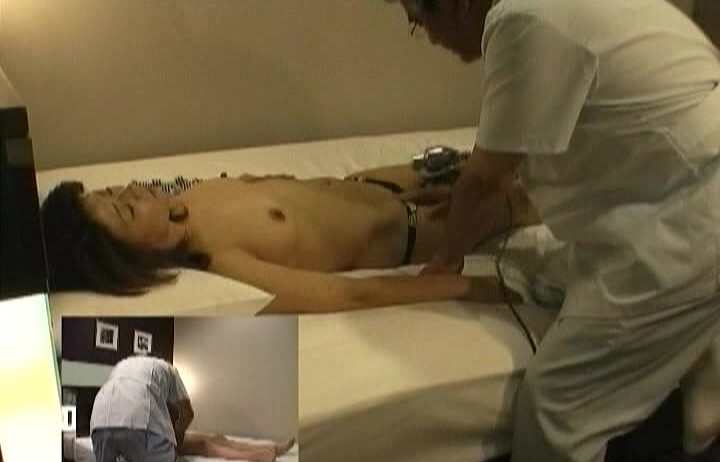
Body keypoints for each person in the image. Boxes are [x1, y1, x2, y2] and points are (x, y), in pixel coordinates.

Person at [387, 0, 720, 462]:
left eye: (420, 19)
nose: (425, 36)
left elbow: (485, 182)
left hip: (690, 218)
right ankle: (703, 347)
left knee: (557, 407)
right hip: (668, 183)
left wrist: (444, 260)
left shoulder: (522, 19)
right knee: (538, 274)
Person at [40, 163, 539, 314]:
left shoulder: (195, 194)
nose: (130, 190)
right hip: (419, 232)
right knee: (551, 192)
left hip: (397, 191)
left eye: (111, 190)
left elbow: (305, 189)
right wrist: (459, 286)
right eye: (125, 208)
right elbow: (348, 294)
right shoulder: (221, 260)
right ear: (134, 255)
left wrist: (407, 181)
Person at [89, 355, 294, 462]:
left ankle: (271, 448)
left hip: (99, 418)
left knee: (213, 438)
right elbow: (188, 414)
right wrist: (177, 437)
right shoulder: (168, 370)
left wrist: (174, 432)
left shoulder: (123, 367)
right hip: (140, 420)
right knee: (194, 451)